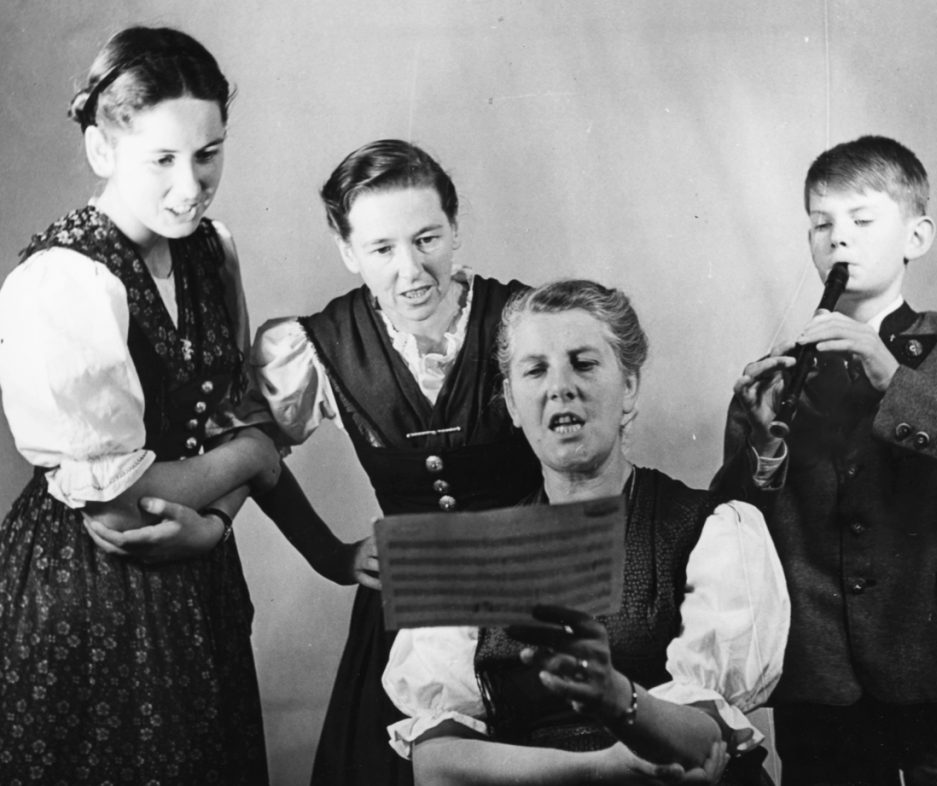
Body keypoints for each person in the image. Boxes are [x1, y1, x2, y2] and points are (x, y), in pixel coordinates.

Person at [0, 26, 285, 784]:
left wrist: (220, 520)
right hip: (89, 589)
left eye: (208, 153)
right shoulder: (64, 283)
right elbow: (118, 497)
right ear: (102, 151)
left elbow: (231, 411)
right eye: (161, 158)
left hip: (200, 568)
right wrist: (251, 459)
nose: (190, 184)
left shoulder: (210, 250)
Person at [382, 279, 790, 785]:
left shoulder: (711, 528)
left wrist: (618, 699)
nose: (560, 387)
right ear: (512, 403)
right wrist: (598, 769)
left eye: (584, 362)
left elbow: (708, 744)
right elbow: (436, 765)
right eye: (535, 370)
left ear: (629, 387)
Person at [712, 135, 937, 785]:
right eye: (820, 224)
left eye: (861, 220)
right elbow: (732, 531)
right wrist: (763, 449)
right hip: (821, 678)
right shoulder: (778, 377)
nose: (838, 240)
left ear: (917, 236)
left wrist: (897, 383)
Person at [251, 138, 541, 785]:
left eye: (427, 239)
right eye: (382, 249)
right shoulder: (320, 345)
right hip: (407, 619)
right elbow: (252, 456)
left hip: (531, 603)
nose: (410, 270)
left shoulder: (523, 319)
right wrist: (331, 555)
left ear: (455, 230)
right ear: (348, 251)